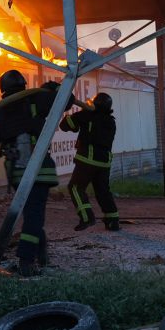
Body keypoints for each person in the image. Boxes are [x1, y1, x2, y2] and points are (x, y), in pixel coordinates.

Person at [0, 70, 68, 276]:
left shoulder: (0, 111)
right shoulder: (38, 99)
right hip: (40, 171)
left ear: (3, 89)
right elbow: (66, 100)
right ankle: (28, 260)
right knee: (34, 215)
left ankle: (35, 254)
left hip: (18, 174)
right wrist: (55, 88)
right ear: (24, 84)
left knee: (32, 214)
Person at [60, 92, 120, 231]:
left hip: (88, 160)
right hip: (104, 162)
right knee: (103, 191)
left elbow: (65, 125)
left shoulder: (86, 116)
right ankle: (113, 221)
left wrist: (82, 111)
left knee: (75, 188)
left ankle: (87, 217)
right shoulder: (111, 121)